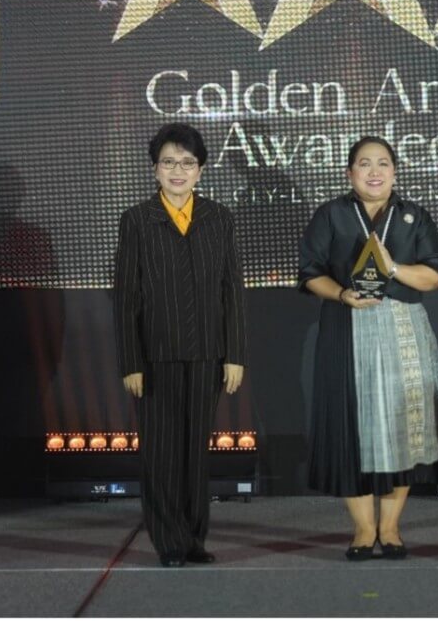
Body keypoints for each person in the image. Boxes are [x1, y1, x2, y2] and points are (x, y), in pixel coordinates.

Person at [298, 136, 438, 561]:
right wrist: (341, 294)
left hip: (402, 329)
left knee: (402, 428)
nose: (374, 171)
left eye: (383, 163)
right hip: (343, 328)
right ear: (349, 173)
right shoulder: (331, 214)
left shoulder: (413, 217)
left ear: (395, 172)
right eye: (364, 164)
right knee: (348, 427)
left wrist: (394, 268)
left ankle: (391, 528)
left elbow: (436, 276)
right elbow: (310, 271)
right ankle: (364, 530)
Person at [113, 123, 247, 567]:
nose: (178, 170)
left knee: (195, 455)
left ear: (200, 171)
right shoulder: (137, 220)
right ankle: (169, 541)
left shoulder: (219, 218)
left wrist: (235, 354)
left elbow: (232, 291)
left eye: (187, 163)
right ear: (155, 169)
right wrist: (131, 361)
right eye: (169, 162)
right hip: (155, 356)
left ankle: (193, 539)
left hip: (208, 353)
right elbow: (127, 297)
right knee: (162, 455)